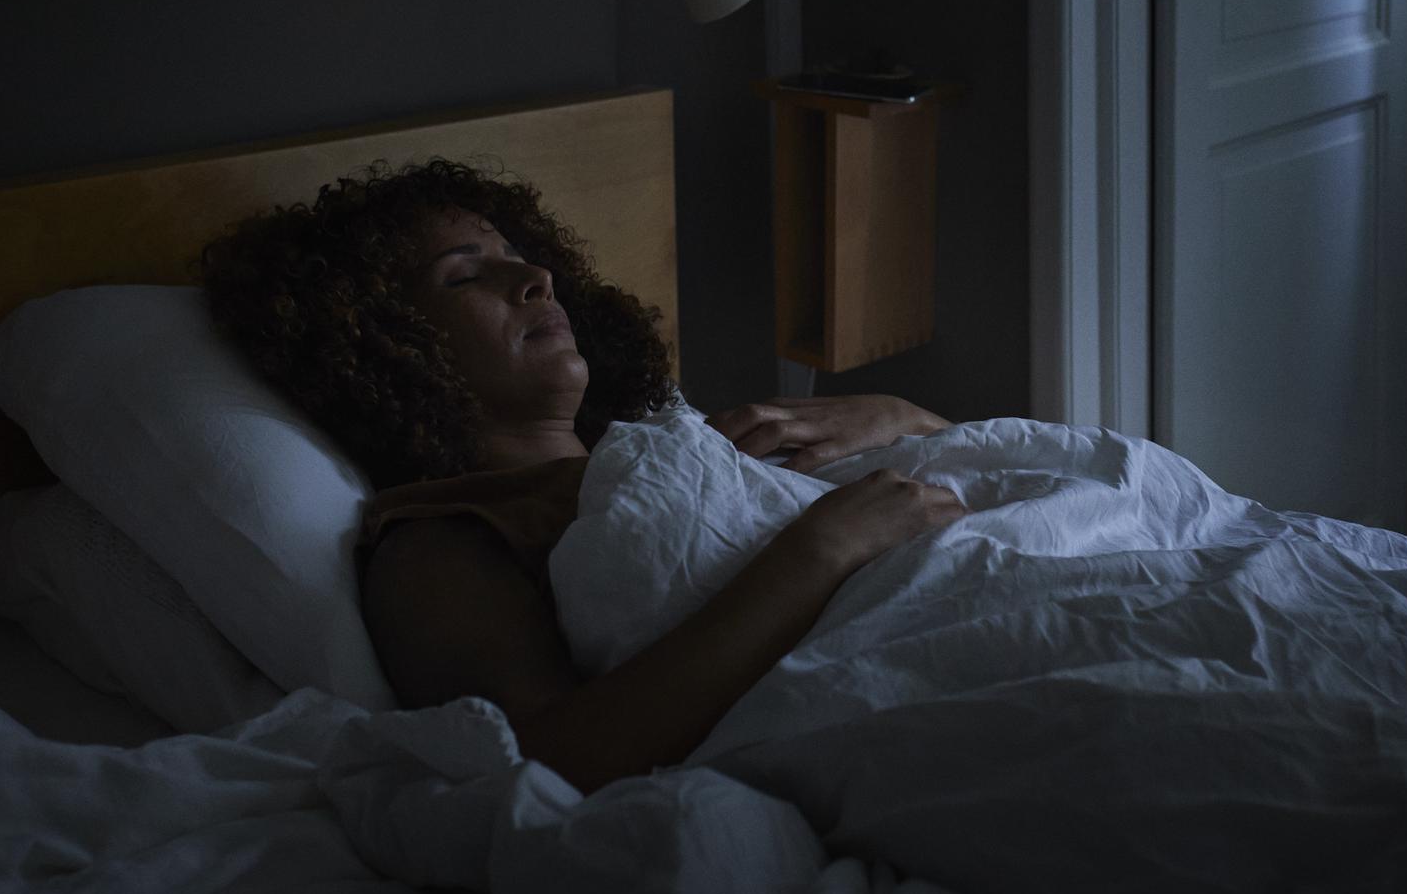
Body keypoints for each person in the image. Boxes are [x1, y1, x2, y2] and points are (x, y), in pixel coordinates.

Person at [201, 159, 964, 791]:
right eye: (465, 278)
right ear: (382, 349)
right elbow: (550, 760)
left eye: (517, 256)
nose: (535, 276)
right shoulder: (441, 539)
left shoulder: (682, 448)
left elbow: (983, 480)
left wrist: (907, 416)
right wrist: (822, 552)